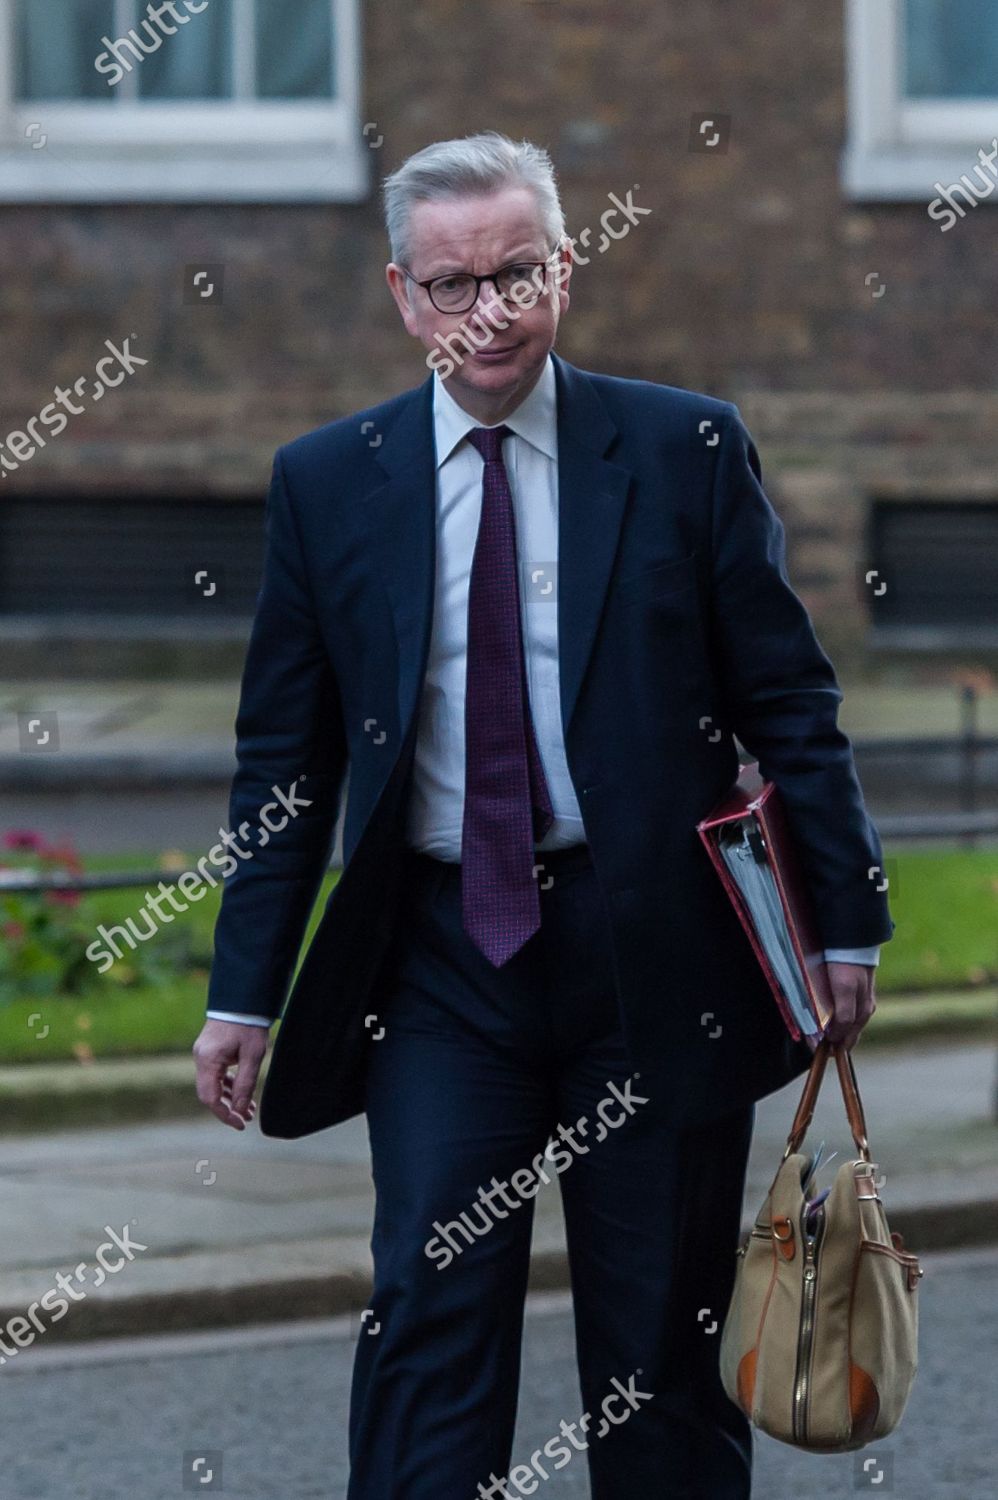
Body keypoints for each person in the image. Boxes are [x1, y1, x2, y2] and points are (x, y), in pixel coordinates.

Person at [192, 131, 894, 1498]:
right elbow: (286, 760)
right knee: (427, 1315)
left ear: (563, 268)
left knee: (660, 1344)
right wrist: (243, 993)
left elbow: (789, 701)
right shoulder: (328, 482)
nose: (490, 311)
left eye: (517, 272)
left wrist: (843, 924)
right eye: (454, 285)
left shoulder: (682, 448)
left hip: (654, 958)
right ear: (404, 298)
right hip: (441, 967)